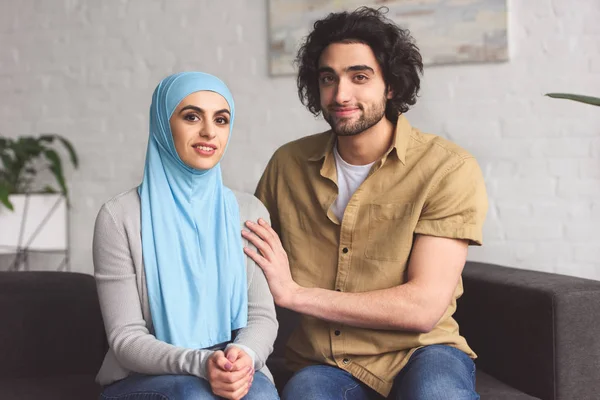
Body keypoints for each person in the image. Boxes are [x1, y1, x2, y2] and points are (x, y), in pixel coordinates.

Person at [242, 7, 488, 400]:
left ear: (390, 84)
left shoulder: (447, 168)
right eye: (328, 78)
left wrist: (296, 295)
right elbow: (245, 264)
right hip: (323, 362)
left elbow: (423, 307)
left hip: (423, 350)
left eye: (359, 77)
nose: (341, 95)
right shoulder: (287, 165)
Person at [93, 72, 279, 400]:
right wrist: (200, 362)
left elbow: (261, 316)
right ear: (164, 124)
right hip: (144, 375)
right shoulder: (119, 217)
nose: (209, 131)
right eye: (191, 116)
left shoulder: (249, 211)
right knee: (193, 395)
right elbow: (126, 340)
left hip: (232, 362)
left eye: (221, 120)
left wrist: (242, 357)